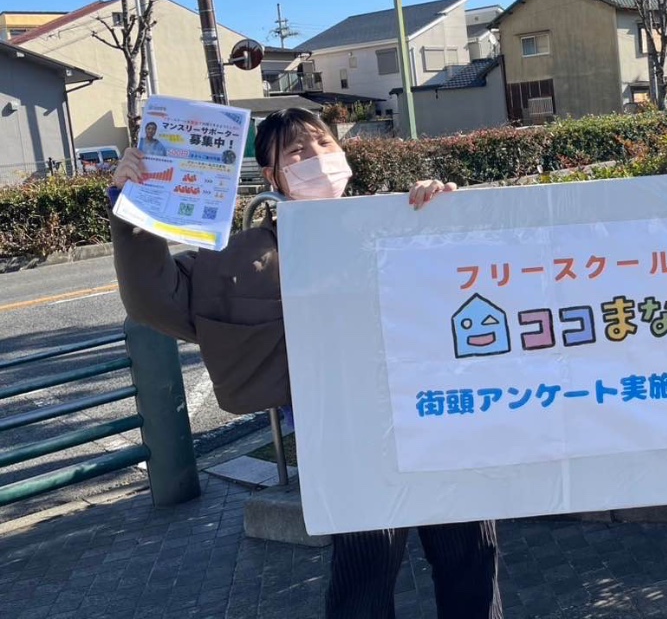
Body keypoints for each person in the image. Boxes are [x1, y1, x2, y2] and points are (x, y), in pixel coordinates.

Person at [108, 107, 503, 619]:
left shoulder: (402, 216)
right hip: (346, 439)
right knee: (364, 579)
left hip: (441, 420)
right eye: (296, 152)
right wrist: (133, 212)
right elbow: (156, 301)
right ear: (271, 175)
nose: (316, 157)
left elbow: (485, 278)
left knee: (471, 563)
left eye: (324, 144)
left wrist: (448, 212)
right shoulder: (244, 257)